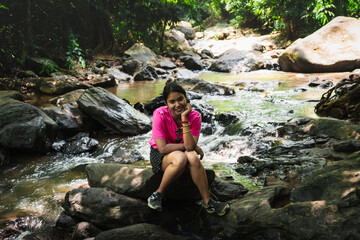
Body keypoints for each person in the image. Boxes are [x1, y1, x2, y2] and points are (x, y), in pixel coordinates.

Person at [147, 81, 229, 216]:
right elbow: (162, 148)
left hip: (184, 152)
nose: (177, 104)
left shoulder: (195, 116)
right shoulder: (160, 114)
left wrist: (184, 119)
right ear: (166, 103)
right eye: (172, 101)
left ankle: (207, 201)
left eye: (180, 99)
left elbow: (190, 148)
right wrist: (192, 146)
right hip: (161, 155)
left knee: (192, 156)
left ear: (186, 98)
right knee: (181, 157)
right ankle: (158, 194)